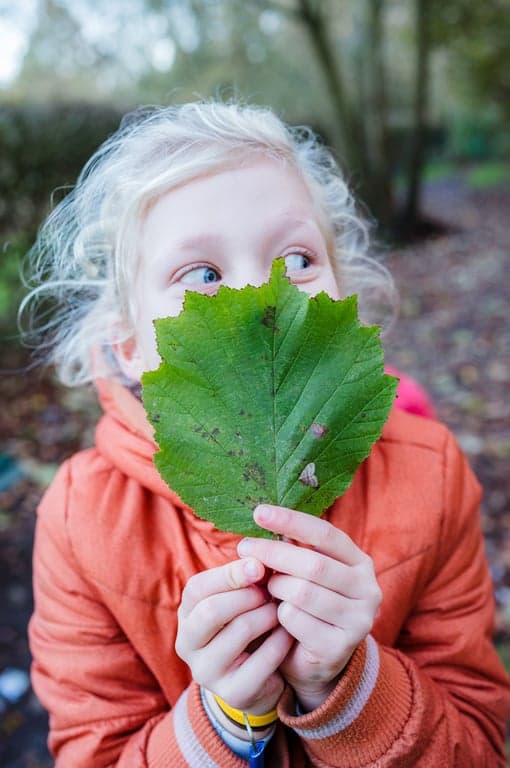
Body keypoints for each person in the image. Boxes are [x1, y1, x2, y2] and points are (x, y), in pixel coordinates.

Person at [24, 101, 509, 767]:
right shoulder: (82, 521)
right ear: (130, 346)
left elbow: (479, 742)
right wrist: (220, 722)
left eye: (298, 259)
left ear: (347, 298)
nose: (263, 299)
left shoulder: (431, 475)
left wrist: (352, 687)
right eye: (202, 276)